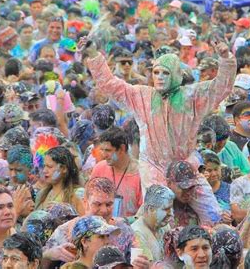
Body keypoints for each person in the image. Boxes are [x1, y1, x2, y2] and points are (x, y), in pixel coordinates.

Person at [85, 39, 236, 225]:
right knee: (161, 222)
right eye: (156, 72)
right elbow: (110, 84)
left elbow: (221, 87)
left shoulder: (192, 97)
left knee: (214, 216)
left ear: (176, 75)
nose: (160, 77)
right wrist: (93, 54)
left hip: (186, 166)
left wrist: (226, 58)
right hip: (154, 167)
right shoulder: (143, 96)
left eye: (166, 73)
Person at [44, 178, 134, 264]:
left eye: (108, 204)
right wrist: (50, 254)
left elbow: (134, 259)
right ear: (85, 203)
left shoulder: (123, 228)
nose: (104, 210)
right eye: (97, 204)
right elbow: (38, 261)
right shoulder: (67, 230)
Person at [91, 126, 142, 217]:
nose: (104, 155)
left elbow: (143, 212)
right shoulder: (99, 168)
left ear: (122, 149)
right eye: (102, 150)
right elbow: (90, 201)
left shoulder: (140, 174)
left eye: (108, 150)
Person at [35, 146, 84, 214]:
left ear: (64, 169)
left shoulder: (78, 194)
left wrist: (68, 211)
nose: (44, 171)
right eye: (44, 166)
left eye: (49, 167)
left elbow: (85, 220)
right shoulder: (41, 194)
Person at [132, 184, 174, 262]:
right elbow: (149, 266)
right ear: (150, 209)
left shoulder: (164, 225)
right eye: (166, 209)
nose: (171, 213)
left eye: (171, 208)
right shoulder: (136, 233)